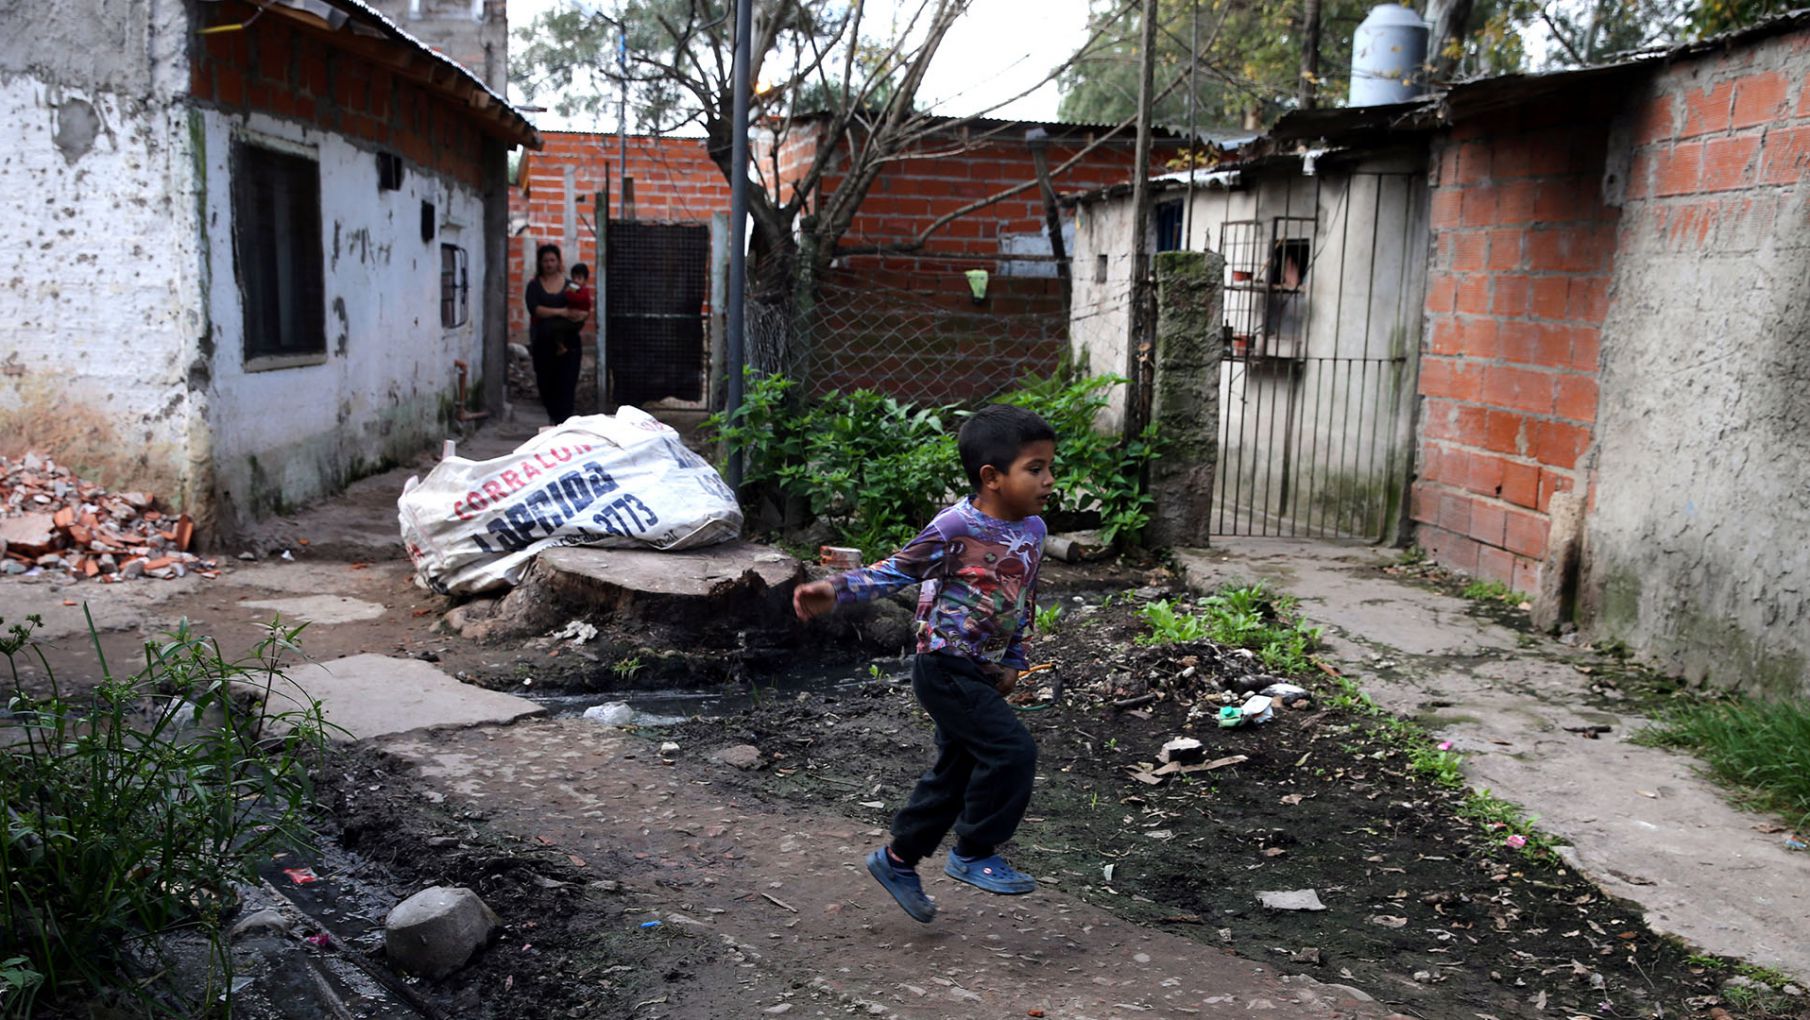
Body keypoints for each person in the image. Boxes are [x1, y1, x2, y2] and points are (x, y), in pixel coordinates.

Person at [792, 405, 1056, 923]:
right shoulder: (956, 526)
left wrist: (1015, 662)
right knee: (1011, 751)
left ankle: (897, 860)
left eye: (1051, 467)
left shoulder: (1035, 530)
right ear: (992, 477)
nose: (1049, 480)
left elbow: (1022, 599)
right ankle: (974, 851)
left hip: (982, 668)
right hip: (943, 664)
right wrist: (836, 589)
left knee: (954, 775)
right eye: (1035, 468)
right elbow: (896, 571)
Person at [523, 243, 587, 424]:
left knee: (566, 384)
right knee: (546, 383)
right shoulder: (534, 286)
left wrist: (579, 315)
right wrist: (562, 312)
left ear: (559, 262)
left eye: (552, 260)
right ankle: (553, 418)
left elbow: (582, 305)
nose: (549, 264)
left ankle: (563, 424)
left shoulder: (571, 285)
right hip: (543, 343)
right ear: (540, 263)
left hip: (569, 345)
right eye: (545, 261)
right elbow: (536, 309)